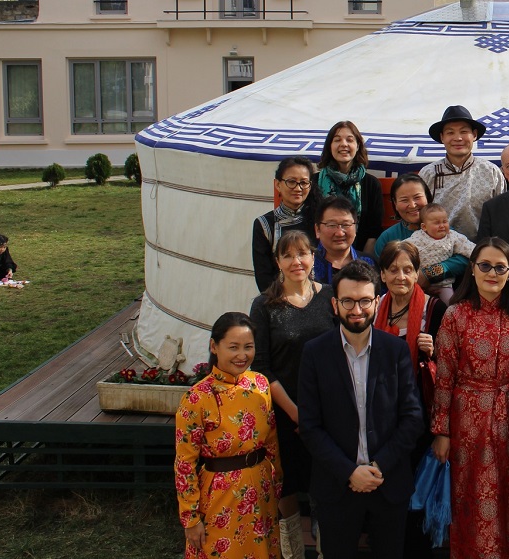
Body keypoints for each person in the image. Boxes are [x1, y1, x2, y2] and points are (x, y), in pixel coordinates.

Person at [297, 261, 424, 559]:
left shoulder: (396, 351)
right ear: (334, 304)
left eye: (365, 301)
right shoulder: (314, 353)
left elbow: (412, 418)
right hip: (336, 485)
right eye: (348, 301)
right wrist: (350, 472)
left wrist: (379, 466)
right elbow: (310, 426)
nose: (357, 309)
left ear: (377, 302)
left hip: (388, 482)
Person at [431, 237, 509, 559]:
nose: (492, 273)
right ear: (473, 270)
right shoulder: (455, 315)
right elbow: (444, 377)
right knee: (472, 497)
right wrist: (441, 431)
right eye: (485, 266)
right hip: (467, 423)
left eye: (500, 267)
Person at [249, 231, 335, 559]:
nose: (296, 261)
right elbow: (261, 367)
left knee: (324, 481)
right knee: (285, 481)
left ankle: (325, 548)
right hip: (283, 412)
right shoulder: (264, 306)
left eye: (302, 254)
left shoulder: (330, 297)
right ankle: (292, 551)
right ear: (277, 262)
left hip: (326, 411)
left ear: (314, 257)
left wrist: (316, 413)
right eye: (287, 255)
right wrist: (296, 412)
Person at [175, 312, 282, 559]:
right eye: (233, 347)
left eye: (248, 347)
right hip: (219, 497)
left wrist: (276, 484)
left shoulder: (260, 384)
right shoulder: (196, 398)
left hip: (261, 491)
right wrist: (190, 518)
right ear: (214, 346)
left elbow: (271, 440)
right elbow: (184, 463)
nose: (242, 355)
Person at [373, 240, 448, 558]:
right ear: (382, 274)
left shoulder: (435, 310)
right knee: (387, 499)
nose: (400, 276)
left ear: (418, 273)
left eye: (408, 269)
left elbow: (451, 370)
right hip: (381, 421)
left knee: (417, 499)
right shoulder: (374, 307)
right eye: (393, 270)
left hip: (420, 420)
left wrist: (435, 352)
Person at [419, 105, 506, 241]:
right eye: (450, 133)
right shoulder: (428, 174)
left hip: (483, 247)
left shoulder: (492, 172)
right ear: (442, 137)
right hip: (438, 248)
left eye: (464, 131)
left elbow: (501, 217)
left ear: (474, 135)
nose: (458, 138)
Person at [316, 120, 384, 254]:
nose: (343, 144)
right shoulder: (314, 182)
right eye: (337, 140)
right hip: (319, 255)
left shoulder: (371, 184)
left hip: (359, 255)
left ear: (358, 146)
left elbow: (374, 231)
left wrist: (361, 260)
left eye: (349, 140)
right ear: (329, 146)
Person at [253, 156, 318, 292]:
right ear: (278, 184)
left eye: (304, 182)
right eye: (291, 182)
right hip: (278, 298)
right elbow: (263, 277)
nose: (298, 188)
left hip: (317, 295)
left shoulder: (319, 220)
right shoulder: (265, 224)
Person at [405, 203, 475, 304]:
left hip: (444, 285)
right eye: (437, 223)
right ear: (424, 227)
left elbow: (470, 248)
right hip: (419, 282)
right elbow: (403, 250)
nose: (442, 226)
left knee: (450, 305)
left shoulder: (452, 237)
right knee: (419, 304)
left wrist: (481, 256)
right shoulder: (417, 238)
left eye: (445, 221)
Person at [311, 195, 376, 287]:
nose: (340, 233)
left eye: (346, 225)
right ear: (317, 230)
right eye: (332, 225)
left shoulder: (370, 263)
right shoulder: (307, 265)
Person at [373, 173, 432, 257]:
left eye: (417, 197)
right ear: (395, 203)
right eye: (404, 200)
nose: (412, 205)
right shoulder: (387, 238)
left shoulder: (444, 229)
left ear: (427, 197)